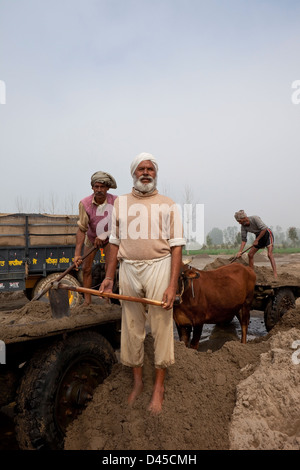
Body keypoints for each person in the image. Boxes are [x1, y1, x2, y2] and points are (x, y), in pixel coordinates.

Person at [99, 153, 186, 414]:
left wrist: (172, 285)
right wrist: (108, 278)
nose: (146, 172)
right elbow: (114, 242)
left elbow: (177, 246)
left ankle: (158, 387)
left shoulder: (168, 204)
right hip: (129, 269)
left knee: (161, 325)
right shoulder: (121, 204)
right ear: (133, 174)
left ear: (155, 173)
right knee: (132, 325)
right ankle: (137, 383)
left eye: (150, 168)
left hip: (159, 266)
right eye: (141, 169)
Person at [74, 171, 118, 305]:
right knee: (86, 269)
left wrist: (105, 234)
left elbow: (120, 225)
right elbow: (82, 229)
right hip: (92, 237)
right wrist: (77, 255)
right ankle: (87, 302)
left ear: (107, 188)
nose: (99, 190)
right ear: (92, 187)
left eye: (102, 187)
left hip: (110, 237)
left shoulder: (116, 201)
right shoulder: (85, 203)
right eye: (96, 186)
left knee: (109, 268)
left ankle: (106, 300)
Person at [234, 210, 277, 278]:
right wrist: (240, 251)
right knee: (250, 254)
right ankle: (252, 273)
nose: (239, 223)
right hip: (258, 236)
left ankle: (275, 274)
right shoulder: (243, 227)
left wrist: (257, 240)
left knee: (269, 254)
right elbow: (244, 240)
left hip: (267, 234)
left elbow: (264, 229)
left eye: (239, 221)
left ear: (244, 218)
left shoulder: (255, 218)